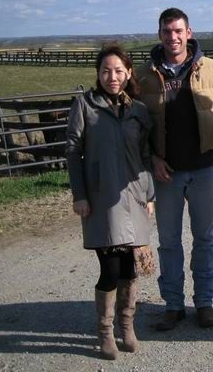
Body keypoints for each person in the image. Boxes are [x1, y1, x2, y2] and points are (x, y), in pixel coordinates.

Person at [136, 8, 213, 331]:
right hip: (166, 173)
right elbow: (135, 127)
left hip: (203, 168)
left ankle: (204, 303)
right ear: (159, 34)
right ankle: (173, 305)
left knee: (204, 238)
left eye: (178, 31)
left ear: (188, 33)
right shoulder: (143, 75)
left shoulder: (212, 70)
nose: (172, 37)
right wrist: (152, 159)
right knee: (169, 242)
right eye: (166, 31)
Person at [66, 45, 155, 360]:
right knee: (110, 268)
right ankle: (105, 332)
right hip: (102, 199)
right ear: (98, 74)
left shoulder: (139, 111)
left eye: (118, 70)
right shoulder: (85, 106)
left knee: (130, 269)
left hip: (134, 197)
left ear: (128, 73)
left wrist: (149, 194)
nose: (112, 77)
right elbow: (73, 153)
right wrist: (79, 195)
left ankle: (126, 327)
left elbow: (145, 156)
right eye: (106, 71)